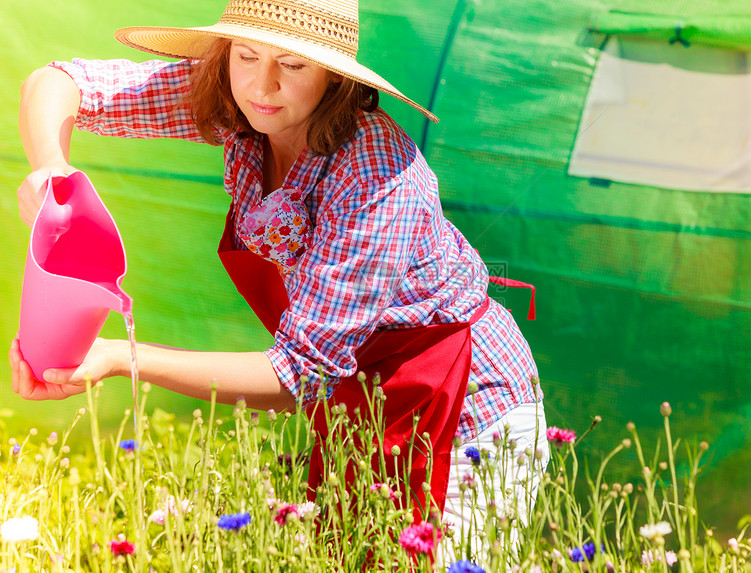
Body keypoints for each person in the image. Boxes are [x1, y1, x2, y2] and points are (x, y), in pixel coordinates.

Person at [10, 0, 547, 540]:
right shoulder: (234, 99)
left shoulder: (378, 177)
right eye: (246, 55)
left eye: (293, 66)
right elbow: (60, 82)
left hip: (465, 408)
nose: (262, 86)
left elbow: (301, 374)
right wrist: (51, 170)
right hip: (359, 393)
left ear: (335, 79)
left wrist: (118, 357)